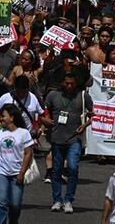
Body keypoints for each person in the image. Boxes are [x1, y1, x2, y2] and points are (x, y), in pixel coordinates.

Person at [42, 71, 91, 212]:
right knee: (56, 170)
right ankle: (57, 200)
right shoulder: (53, 95)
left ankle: (69, 200)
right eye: (67, 83)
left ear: (76, 84)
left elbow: (94, 114)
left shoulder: (83, 96)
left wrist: (84, 125)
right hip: (57, 138)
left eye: (72, 84)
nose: (69, 86)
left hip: (74, 139)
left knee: (73, 168)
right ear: (62, 82)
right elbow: (44, 111)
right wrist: (45, 120)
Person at [0, 103, 35, 224]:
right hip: (0, 171)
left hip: (17, 173)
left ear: (12, 117)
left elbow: (28, 153)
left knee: (15, 204)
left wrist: (22, 173)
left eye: (3, 116)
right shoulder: (0, 132)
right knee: (1, 202)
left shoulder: (24, 133)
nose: (0, 118)